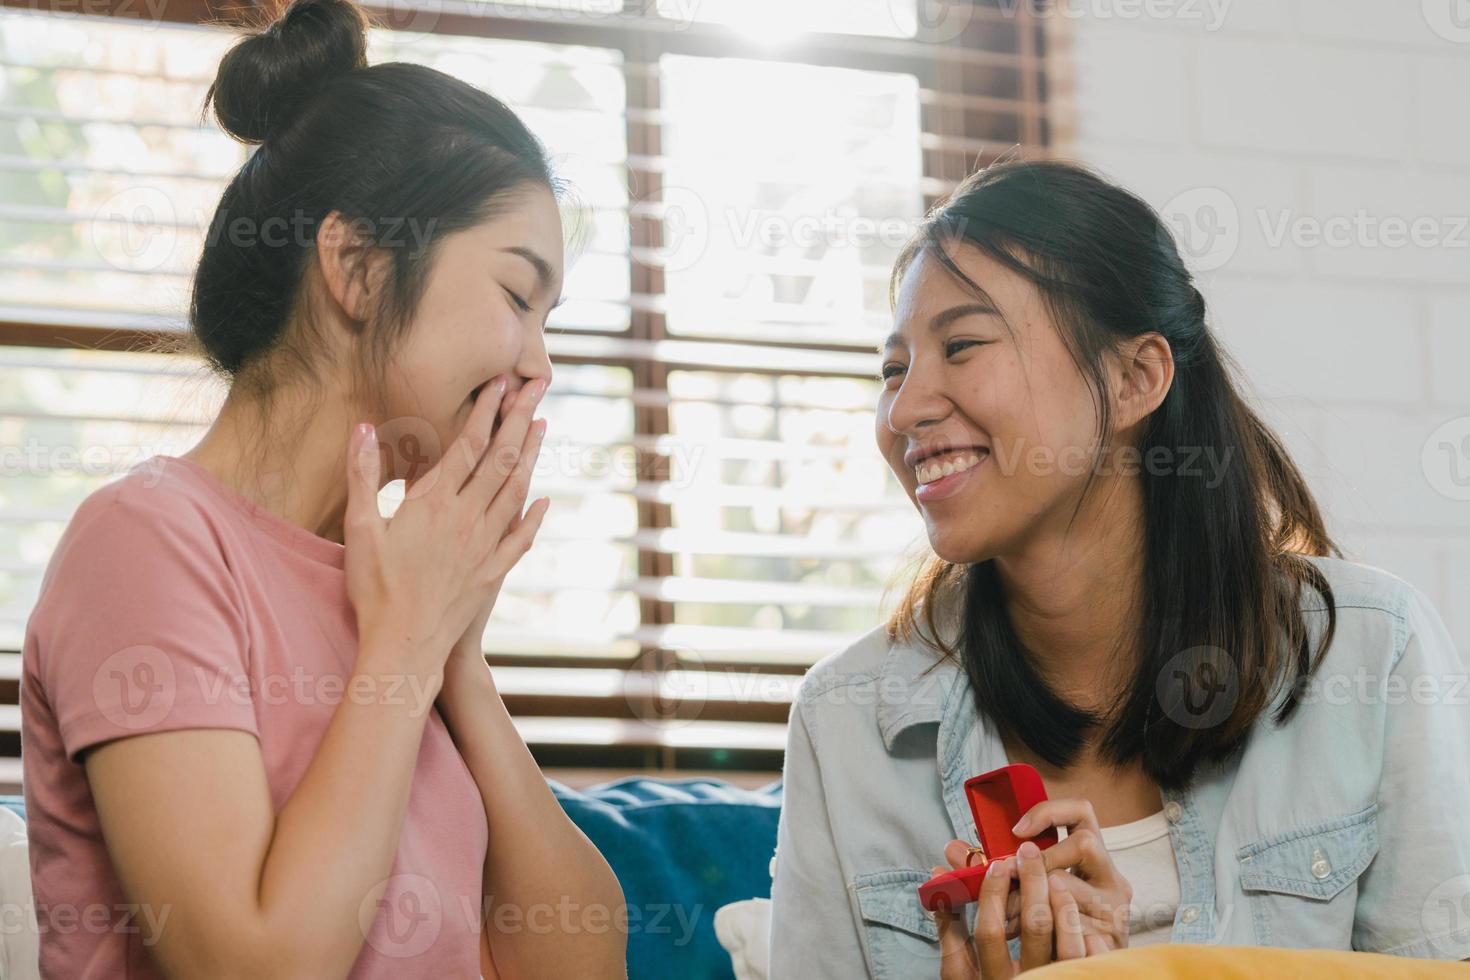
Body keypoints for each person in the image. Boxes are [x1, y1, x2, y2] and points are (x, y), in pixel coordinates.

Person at [20, 1, 626, 976]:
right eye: (519, 295)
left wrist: (456, 656)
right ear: (355, 263)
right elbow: (254, 963)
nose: (540, 362)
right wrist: (406, 643)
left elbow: (585, 961)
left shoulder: (397, 584)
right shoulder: (144, 541)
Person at [768, 159, 1470, 977]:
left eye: (961, 346)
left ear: (1135, 379)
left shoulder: (1371, 656)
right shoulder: (845, 721)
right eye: (893, 370)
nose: (903, 410)